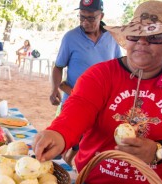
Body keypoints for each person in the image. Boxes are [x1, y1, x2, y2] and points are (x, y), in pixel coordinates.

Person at [33, 1, 162, 184]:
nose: (142, 42)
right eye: (135, 35)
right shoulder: (101, 75)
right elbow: (79, 108)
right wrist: (59, 133)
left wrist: (159, 150)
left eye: (154, 37)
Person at [51, 0, 122, 167]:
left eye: (90, 18)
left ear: (101, 16)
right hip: (74, 101)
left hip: (101, 105)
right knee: (64, 140)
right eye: (81, 17)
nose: (85, 22)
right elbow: (58, 67)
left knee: (85, 144)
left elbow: (119, 67)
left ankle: (69, 163)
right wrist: (54, 89)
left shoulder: (112, 37)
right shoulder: (70, 37)